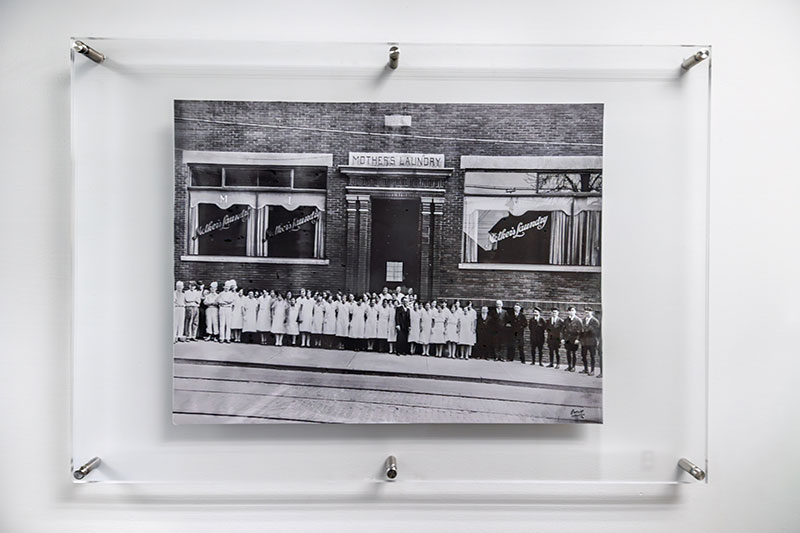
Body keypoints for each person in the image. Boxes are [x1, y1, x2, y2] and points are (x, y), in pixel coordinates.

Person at [562, 306, 583, 372]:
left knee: (574, 353)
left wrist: (578, 339)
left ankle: (573, 367)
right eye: (570, 311)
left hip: (574, 339)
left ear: (575, 311)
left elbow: (580, 331)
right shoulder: (566, 320)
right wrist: (563, 338)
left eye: (573, 310)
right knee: (568, 352)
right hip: (567, 339)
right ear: (568, 312)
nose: (571, 312)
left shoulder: (578, 320)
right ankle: (569, 366)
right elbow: (563, 330)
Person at [581, 307, 601, 375]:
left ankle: (592, 371)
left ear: (591, 312)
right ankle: (586, 369)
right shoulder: (583, 320)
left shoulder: (595, 321)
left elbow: (596, 332)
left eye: (588, 312)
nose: (586, 314)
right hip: (584, 342)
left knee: (592, 356)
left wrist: (588, 328)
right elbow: (581, 331)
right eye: (585, 312)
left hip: (592, 341)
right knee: (583, 355)